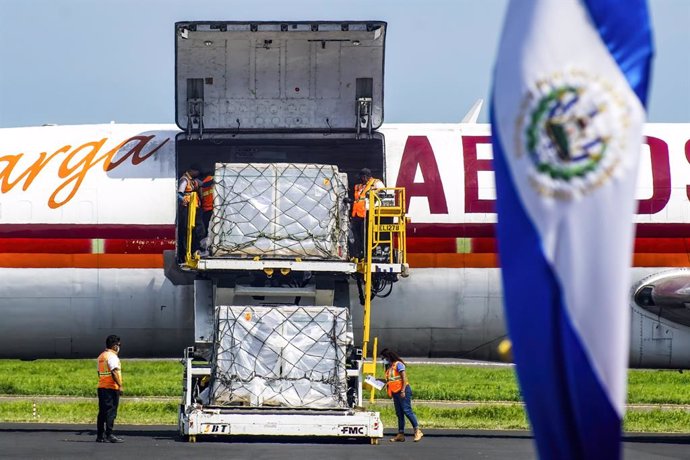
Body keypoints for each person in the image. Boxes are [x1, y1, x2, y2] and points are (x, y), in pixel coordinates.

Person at [380, 348, 423, 442]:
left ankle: (417, 431)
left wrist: (403, 391)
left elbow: (404, 378)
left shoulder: (398, 364)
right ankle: (400, 434)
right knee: (399, 413)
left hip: (403, 391)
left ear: (388, 357)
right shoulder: (389, 368)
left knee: (407, 410)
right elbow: (390, 381)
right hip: (395, 393)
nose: (383, 360)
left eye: (383, 358)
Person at [350, 168, 384, 259]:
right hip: (357, 214)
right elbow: (358, 199)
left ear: (365, 177)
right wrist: (350, 201)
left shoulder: (376, 183)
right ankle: (359, 252)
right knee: (356, 234)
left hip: (367, 212)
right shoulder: (360, 186)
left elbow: (383, 195)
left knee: (365, 234)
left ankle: (367, 252)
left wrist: (373, 197)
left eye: (361, 177)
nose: (360, 180)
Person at [96, 335, 124, 443]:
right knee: (111, 412)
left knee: (102, 412)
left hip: (102, 387)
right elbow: (114, 371)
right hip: (111, 388)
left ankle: (100, 435)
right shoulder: (112, 357)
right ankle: (109, 434)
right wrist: (120, 385)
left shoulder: (101, 356)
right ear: (114, 346)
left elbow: (99, 373)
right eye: (118, 345)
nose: (119, 347)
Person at [177, 165, 202, 261]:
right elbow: (179, 193)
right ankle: (184, 254)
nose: (197, 173)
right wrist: (183, 199)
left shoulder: (192, 180)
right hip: (187, 208)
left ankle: (193, 251)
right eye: (196, 171)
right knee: (186, 230)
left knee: (195, 230)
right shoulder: (184, 180)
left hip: (194, 208)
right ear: (191, 170)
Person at [199, 171, 215, 240]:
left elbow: (201, 197)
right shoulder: (211, 180)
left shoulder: (203, 183)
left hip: (207, 209)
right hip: (211, 208)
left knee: (206, 228)